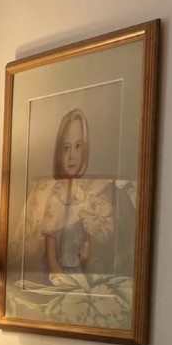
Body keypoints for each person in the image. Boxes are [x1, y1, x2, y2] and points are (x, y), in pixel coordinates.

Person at [42, 108, 99, 281]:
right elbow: (51, 258)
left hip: (78, 275)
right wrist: (66, 286)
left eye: (78, 146)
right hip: (59, 278)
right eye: (67, 148)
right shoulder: (55, 198)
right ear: (59, 153)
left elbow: (87, 251)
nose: (72, 155)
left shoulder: (87, 197)